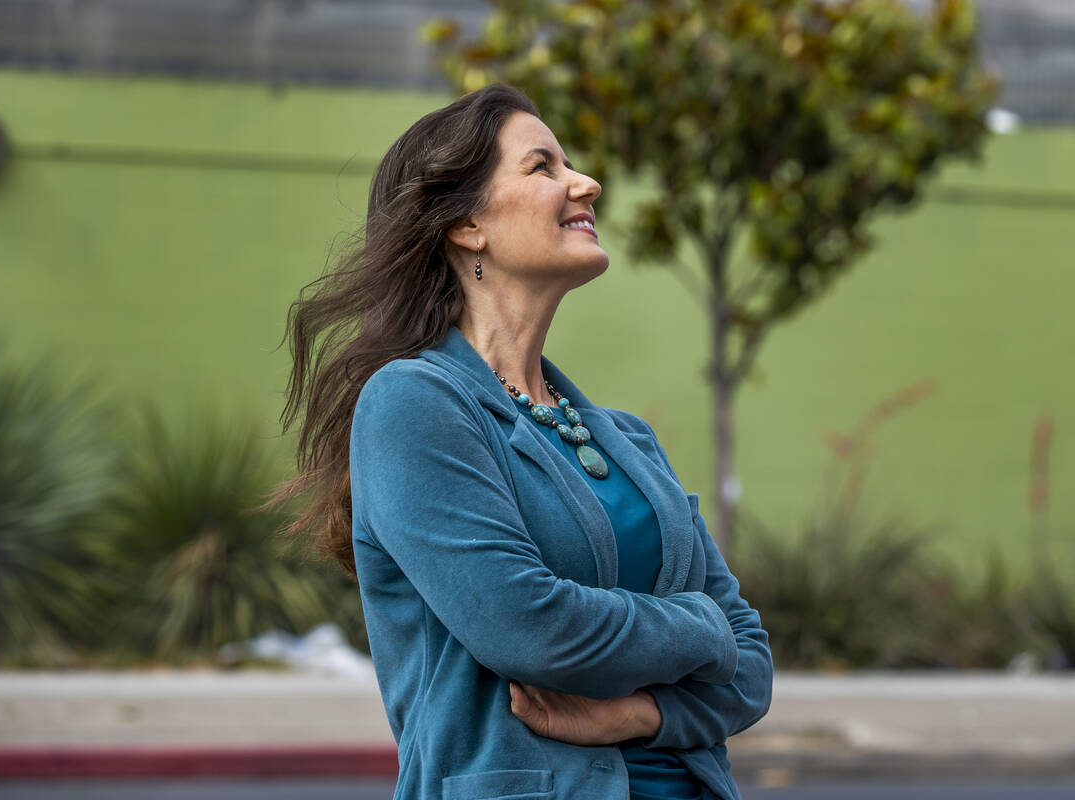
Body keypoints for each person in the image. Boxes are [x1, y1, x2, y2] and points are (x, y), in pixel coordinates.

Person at [276, 84, 773, 800]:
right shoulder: (413, 403)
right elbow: (530, 629)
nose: (586, 183)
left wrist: (634, 715)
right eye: (543, 167)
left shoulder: (630, 441)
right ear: (467, 224)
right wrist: (701, 625)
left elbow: (752, 667)